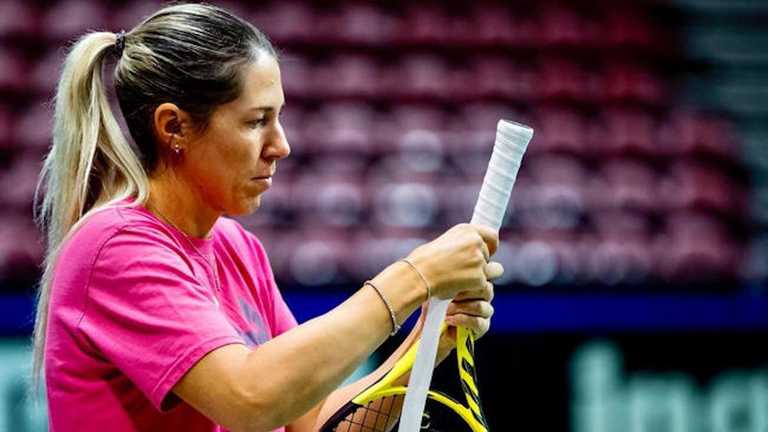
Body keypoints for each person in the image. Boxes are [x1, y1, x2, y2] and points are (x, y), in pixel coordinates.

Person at [33, 4, 502, 431]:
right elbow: (250, 399)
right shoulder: (116, 247)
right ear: (174, 126)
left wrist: (427, 341)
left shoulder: (236, 247)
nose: (281, 145)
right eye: (257, 121)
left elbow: (311, 423)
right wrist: (414, 277)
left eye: (277, 118)